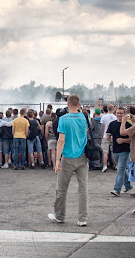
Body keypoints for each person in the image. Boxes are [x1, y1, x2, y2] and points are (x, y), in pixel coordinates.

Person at [48, 95, 89, 226]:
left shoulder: (63, 120)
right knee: (83, 188)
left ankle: (60, 215)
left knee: (61, 188)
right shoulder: (85, 117)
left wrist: (57, 159)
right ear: (79, 104)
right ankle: (82, 218)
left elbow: (61, 141)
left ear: (68, 104)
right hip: (82, 156)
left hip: (68, 156)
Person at [108, 107, 133, 196]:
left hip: (124, 150)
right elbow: (108, 135)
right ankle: (128, 185)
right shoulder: (112, 124)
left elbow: (132, 139)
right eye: (118, 113)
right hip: (115, 149)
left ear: (124, 114)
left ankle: (117, 189)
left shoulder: (128, 125)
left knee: (120, 169)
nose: (119, 115)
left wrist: (123, 140)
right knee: (121, 168)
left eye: (121, 113)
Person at [100, 105, 116, 172]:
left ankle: (105, 165)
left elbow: (102, 127)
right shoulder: (115, 117)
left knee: (105, 152)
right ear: (114, 109)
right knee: (113, 151)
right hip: (113, 136)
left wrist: (101, 135)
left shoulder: (104, 117)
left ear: (107, 109)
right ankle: (115, 165)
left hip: (105, 135)